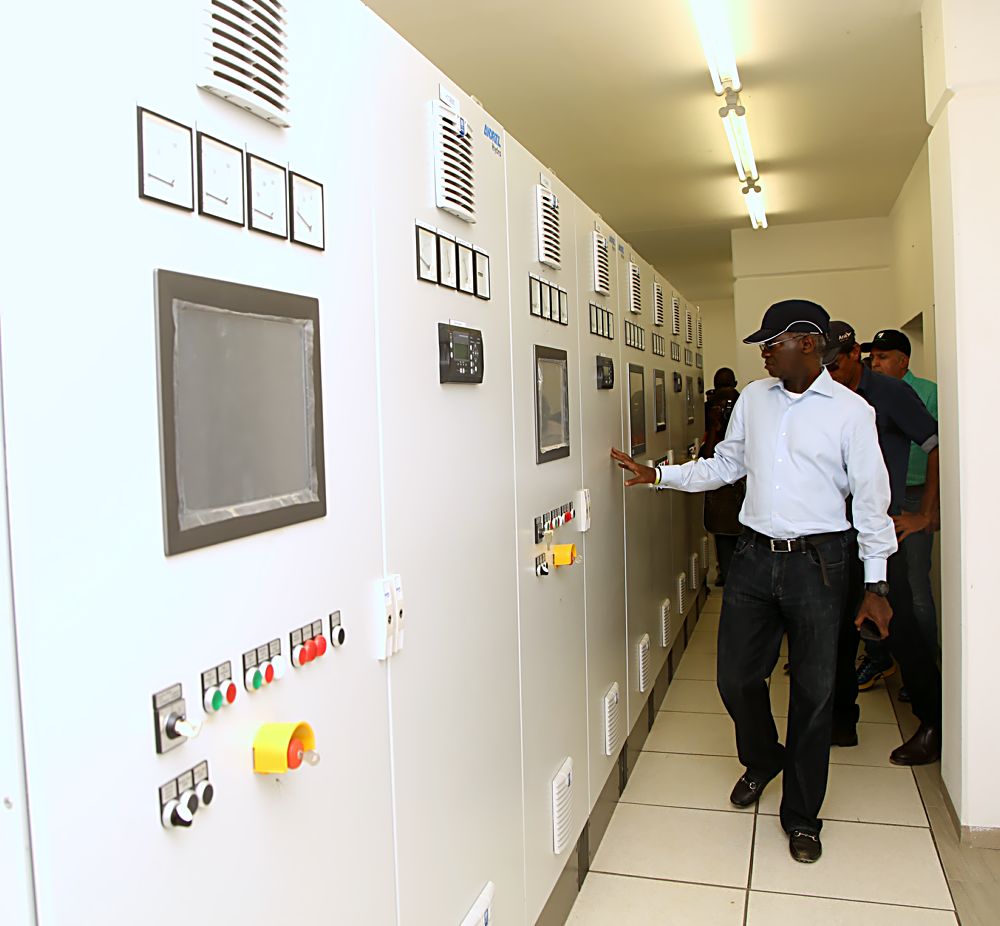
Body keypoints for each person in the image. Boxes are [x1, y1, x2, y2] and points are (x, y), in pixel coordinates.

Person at [611, 299, 895, 864]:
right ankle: (764, 758)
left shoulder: (850, 412)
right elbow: (726, 464)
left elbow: (871, 501)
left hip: (821, 562)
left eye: (773, 342)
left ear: (808, 343)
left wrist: (877, 586)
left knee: (813, 694)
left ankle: (802, 815)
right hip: (753, 557)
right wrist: (660, 476)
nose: (764, 352)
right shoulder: (754, 401)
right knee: (736, 678)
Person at [825, 322, 942, 764]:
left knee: (901, 627)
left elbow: (936, 445)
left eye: (836, 364)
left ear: (857, 353)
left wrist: (926, 514)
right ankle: (841, 720)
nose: (829, 373)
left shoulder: (890, 393)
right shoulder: (823, 394)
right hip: (834, 534)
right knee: (836, 628)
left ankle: (933, 724)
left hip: (878, 530)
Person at [864, 329, 940, 691]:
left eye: (883, 357)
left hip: (912, 498)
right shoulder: (865, 395)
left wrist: (927, 512)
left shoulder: (927, 392)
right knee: (878, 585)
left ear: (903, 360)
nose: (875, 363)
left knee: (913, 587)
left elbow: (939, 447)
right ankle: (880, 660)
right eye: (873, 357)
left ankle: (923, 670)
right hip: (879, 503)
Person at [702, 369, 743, 586]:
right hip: (723, 493)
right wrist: (713, 425)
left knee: (731, 540)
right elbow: (707, 458)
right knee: (725, 536)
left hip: (739, 490)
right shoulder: (710, 410)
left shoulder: (745, 407)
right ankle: (728, 575)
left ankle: (730, 575)